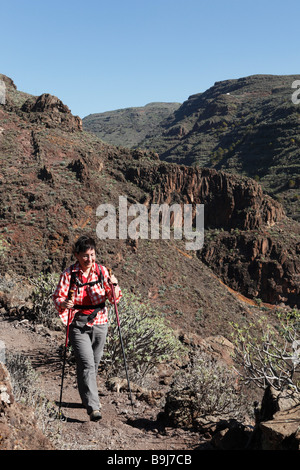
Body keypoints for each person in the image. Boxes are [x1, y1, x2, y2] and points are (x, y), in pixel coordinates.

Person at [53, 235, 122, 421]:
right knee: (86, 364)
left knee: (93, 364)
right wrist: (64, 303)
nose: (89, 259)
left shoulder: (102, 272)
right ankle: (93, 407)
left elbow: (114, 298)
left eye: (92, 254)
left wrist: (114, 286)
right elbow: (57, 297)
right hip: (77, 324)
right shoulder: (69, 274)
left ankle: (86, 397)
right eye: (85, 255)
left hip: (100, 323)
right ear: (76, 255)